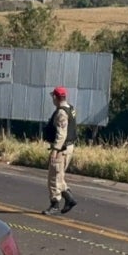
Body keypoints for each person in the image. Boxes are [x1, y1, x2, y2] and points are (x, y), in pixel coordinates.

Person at [42, 86, 78, 215]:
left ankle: (55, 204)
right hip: (69, 147)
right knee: (59, 175)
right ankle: (69, 198)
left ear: (55, 98)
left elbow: (61, 134)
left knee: (54, 177)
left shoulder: (61, 113)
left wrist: (55, 150)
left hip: (61, 149)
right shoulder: (70, 109)